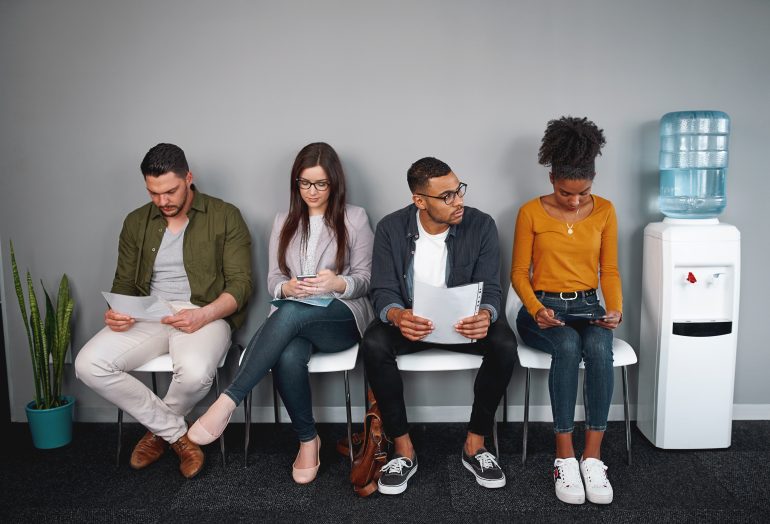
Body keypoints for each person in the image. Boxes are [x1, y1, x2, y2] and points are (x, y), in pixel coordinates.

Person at [188, 142, 374, 484]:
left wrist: (336, 283)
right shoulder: (283, 221)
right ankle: (308, 441)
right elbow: (274, 278)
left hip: (341, 316)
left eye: (320, 184)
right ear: (296, 183)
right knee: (287, 353)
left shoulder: (355, 217)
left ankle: (228, 400)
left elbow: (365, 280)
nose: (312, 191)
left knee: (287, 314)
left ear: (335, 183)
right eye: (304, 183)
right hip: (296, 319)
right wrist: (286, 289)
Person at [75, 143, 252, 479]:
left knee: (198, 371)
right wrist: (115, 311)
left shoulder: (225, 215)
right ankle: (177, 435)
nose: (162, 201)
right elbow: (123, 285)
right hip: (149, 313)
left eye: (170, 191)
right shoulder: (135, 222)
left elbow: (241, 287)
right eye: (153, 193)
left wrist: (203, 315)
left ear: (189, 178)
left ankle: (158, 433)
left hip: (205, 313)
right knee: (87, 364)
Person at [362, 156, 516, 495]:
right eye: (447, 196)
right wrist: (397, 315)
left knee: (505, 345)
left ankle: (475, 445)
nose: (458, 200)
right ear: (420, 201)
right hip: (412, 322)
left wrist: (486, 315)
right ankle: (403, 450)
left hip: (464, 323)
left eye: (458, 189)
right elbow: (383, 289)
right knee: (373, 343)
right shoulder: (391, 228)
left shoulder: (481, 225)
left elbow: (491, 287)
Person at [511, 116, 622, 505]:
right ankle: (564, 456)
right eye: (565, 193)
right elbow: (518, 273)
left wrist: (616, 310)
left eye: (584, 192)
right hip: (541, 308)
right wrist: (537, 308)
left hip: (589, 305)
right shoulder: (530, 212)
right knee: (569, 347)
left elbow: (608, 270)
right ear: (552, 180)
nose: (575, 201)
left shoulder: (606, 211)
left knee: (596, 348)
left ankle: (592, 457)